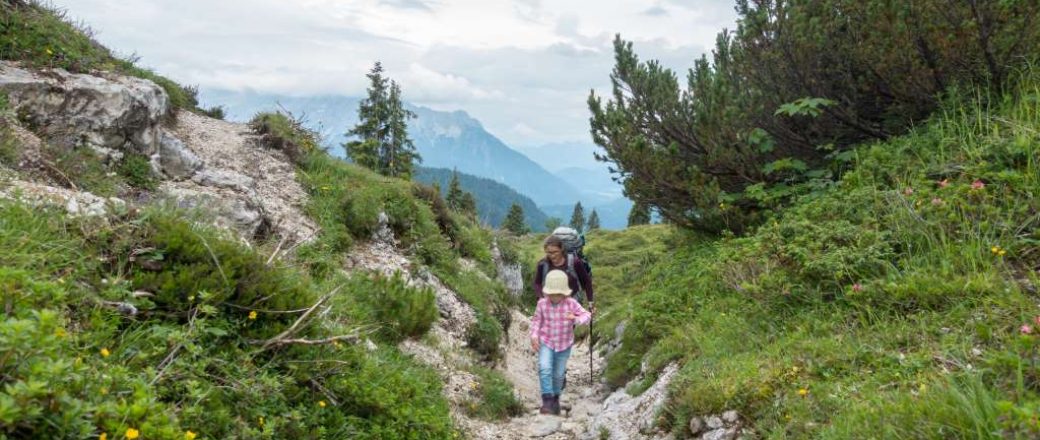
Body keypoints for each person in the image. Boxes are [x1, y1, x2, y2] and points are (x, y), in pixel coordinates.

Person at [530, 269, 592, 415]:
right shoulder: (542, 304)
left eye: (558, 294)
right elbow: (537, 321)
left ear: (564, 292)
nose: (554, 296)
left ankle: (556, 400)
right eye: (552, 293)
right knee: (544, 369)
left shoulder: (571, 303)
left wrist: (576, 319)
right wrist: (534, 336)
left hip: (564, 344)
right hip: (546, 341)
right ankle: (547, 401)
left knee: (558, 374)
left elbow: (587, 315)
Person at [533, 235, 594, 309]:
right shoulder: (542, 264)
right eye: (549, 252)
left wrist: (590, 302)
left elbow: (587, 281)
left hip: (573, 304)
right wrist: (540, 297)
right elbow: (537, 283)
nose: (552, 256)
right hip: (551, 305)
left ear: (561, 249)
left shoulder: (574, 262)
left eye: (555, 252)